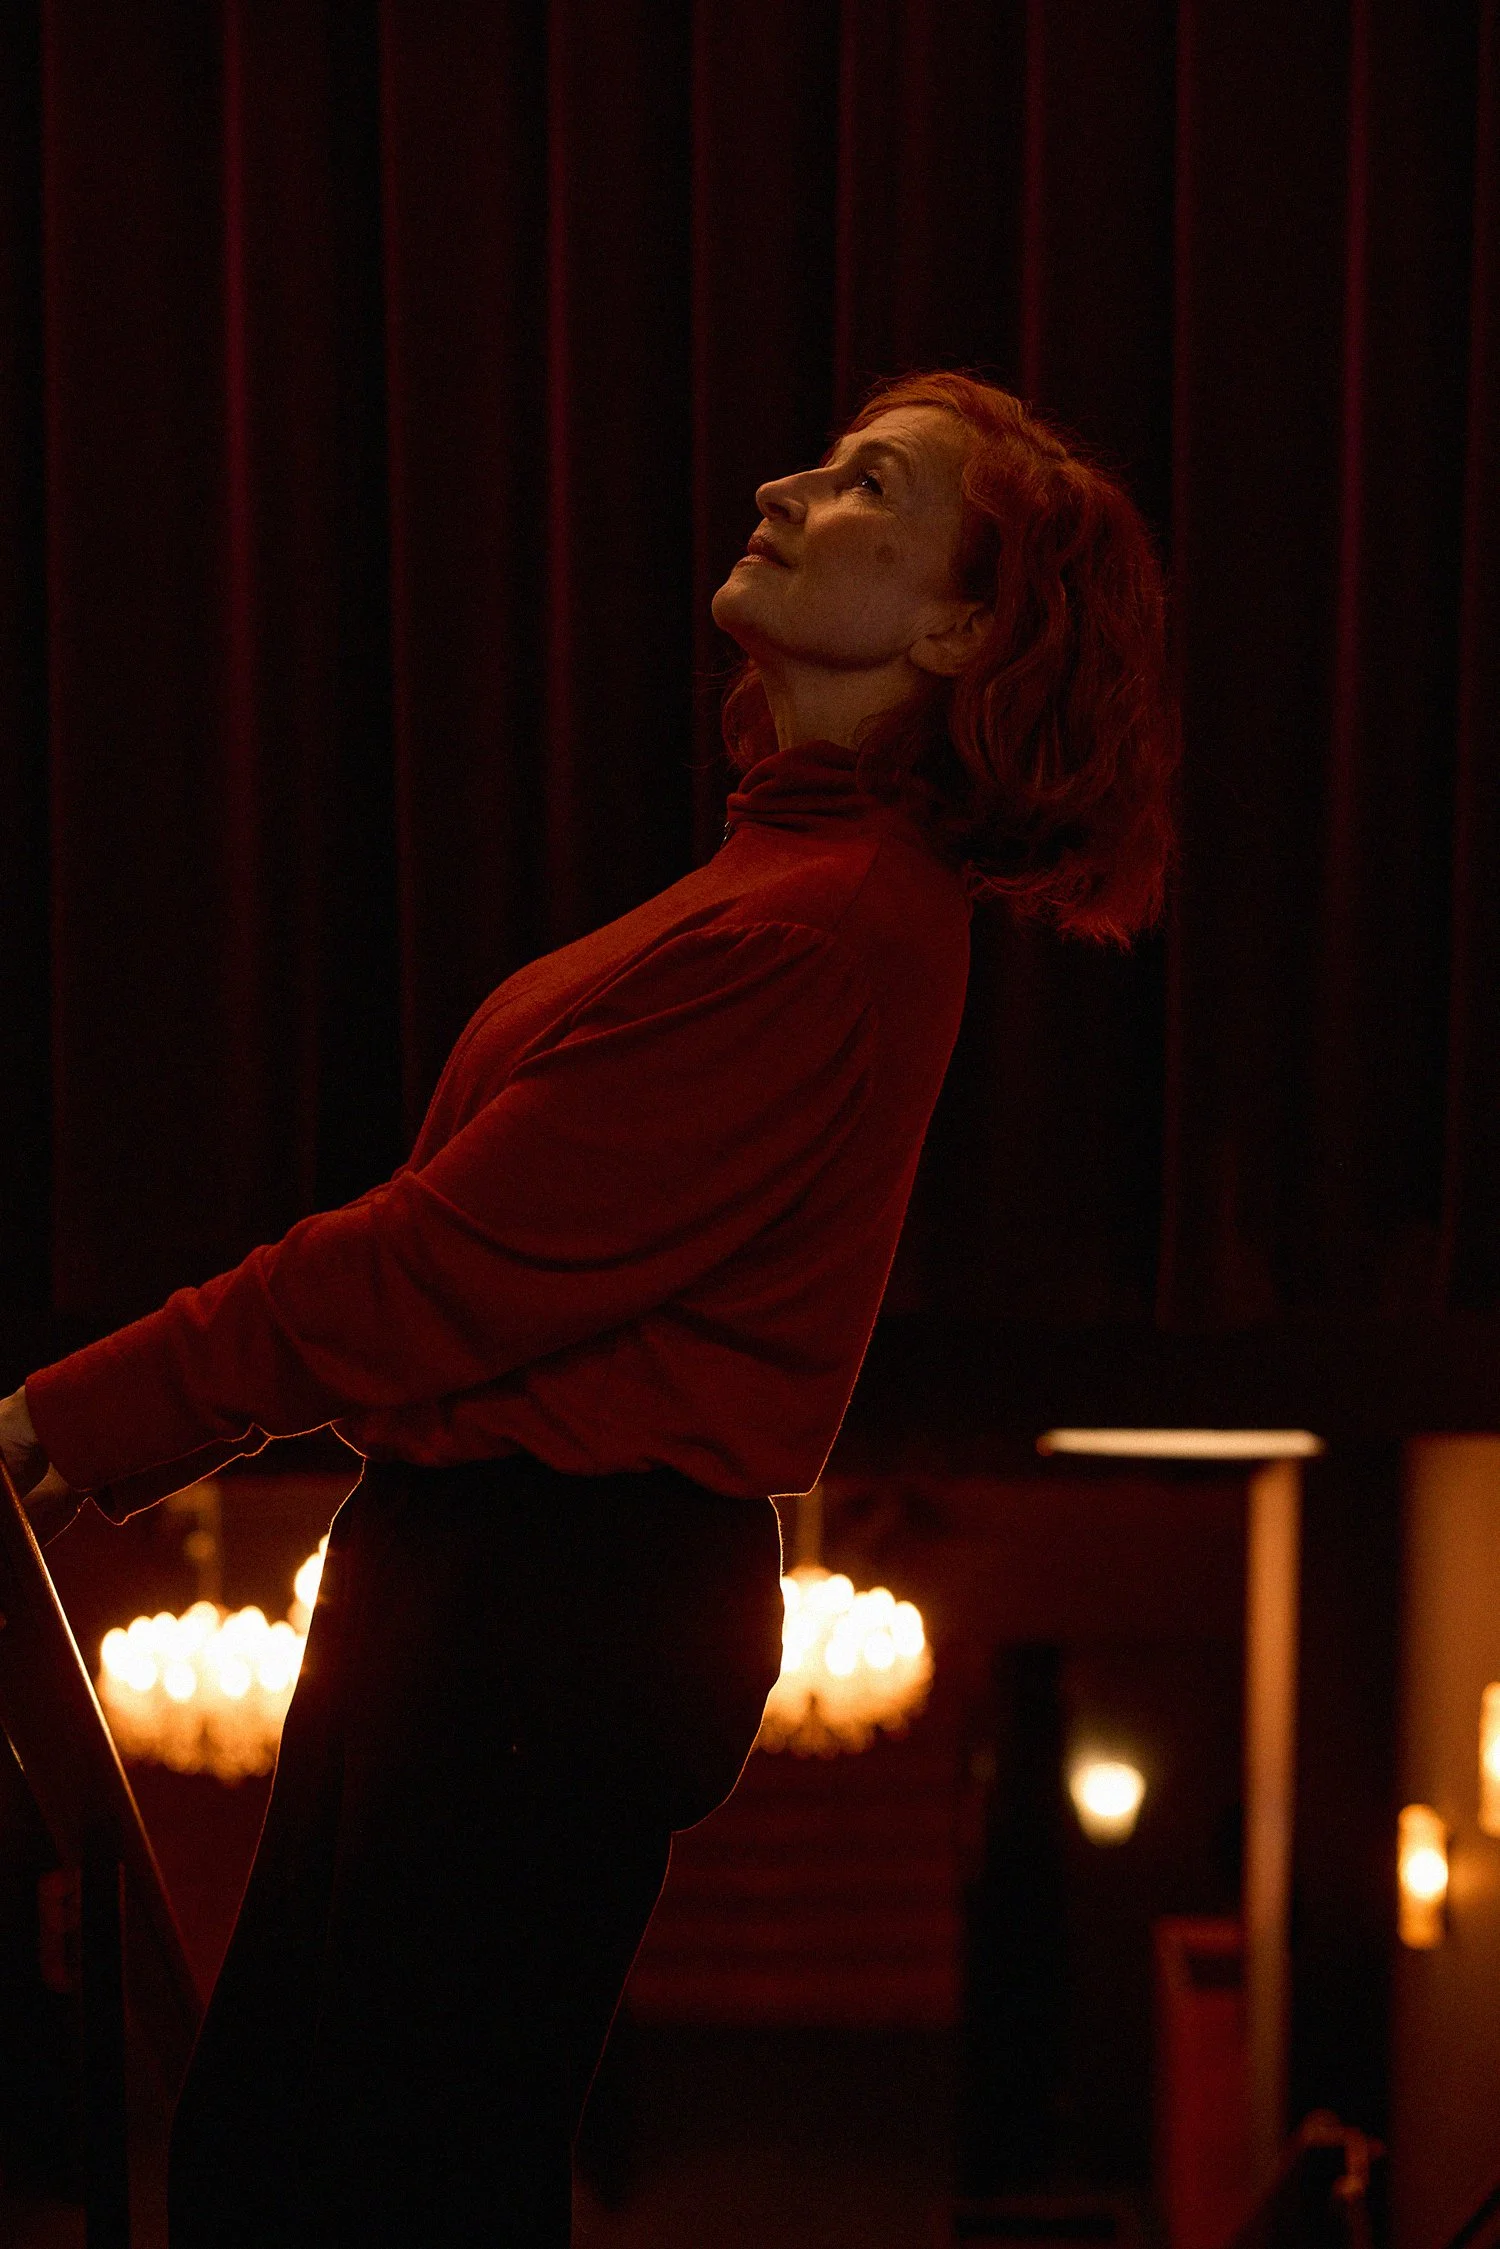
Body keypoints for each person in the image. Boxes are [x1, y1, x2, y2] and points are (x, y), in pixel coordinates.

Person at [0, 370, 1179, 2245]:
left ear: (963, 631)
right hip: (489, 1572)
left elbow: (440, 1269)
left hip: (552, 1586)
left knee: (366, 2185)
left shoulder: (823, 925)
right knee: (297, 2165)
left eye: (869, 487)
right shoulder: (783, 880)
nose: (785, 486)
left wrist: (75, 1419)